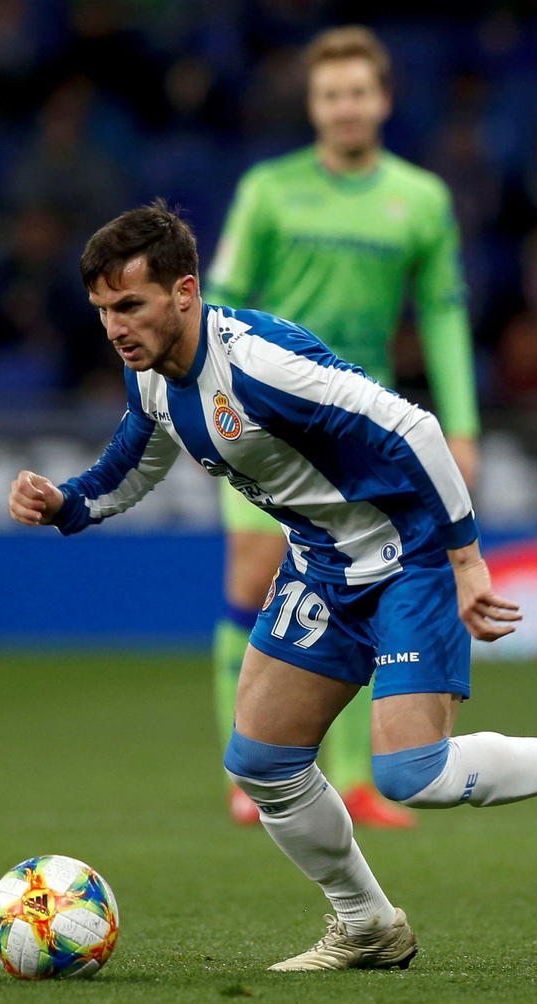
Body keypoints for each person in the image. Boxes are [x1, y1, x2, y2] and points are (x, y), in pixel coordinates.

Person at [8, 202, 537, 971]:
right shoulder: (152, 370)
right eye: (103, 310)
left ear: (185, 291)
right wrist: (70, 504)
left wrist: (467, 559)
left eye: (130, 305)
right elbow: (140, 452)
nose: (115, 326)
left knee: (412, 773)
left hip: (410, 552)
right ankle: (369, 925)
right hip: (325, 564)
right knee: (261, 761)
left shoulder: (257, 365)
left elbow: (415, 429)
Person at [203, 26, 481, 829]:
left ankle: (356, 780)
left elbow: (443, 312)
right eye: (331, 94)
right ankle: (250, 769)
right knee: (254, 580)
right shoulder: (269, 189)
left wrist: (458, 424)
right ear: (314, 105)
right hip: (260, 416)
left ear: (383, 99)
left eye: (360, 91)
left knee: (369, 583)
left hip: (363, 421)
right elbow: (217, 299)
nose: (347, 106)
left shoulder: (420, 198)